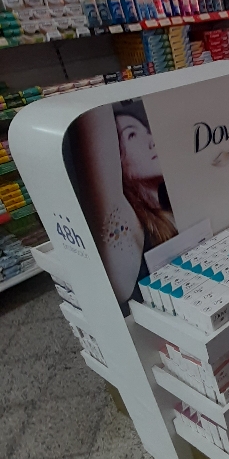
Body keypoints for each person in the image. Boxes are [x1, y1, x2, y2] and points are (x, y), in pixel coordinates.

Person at [70, 100, 177, 309]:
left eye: (147, 131)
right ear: (114, 160)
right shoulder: (127, 226)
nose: (152, 140)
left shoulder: (170, 211)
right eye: (132, 135)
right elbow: (94, 119)